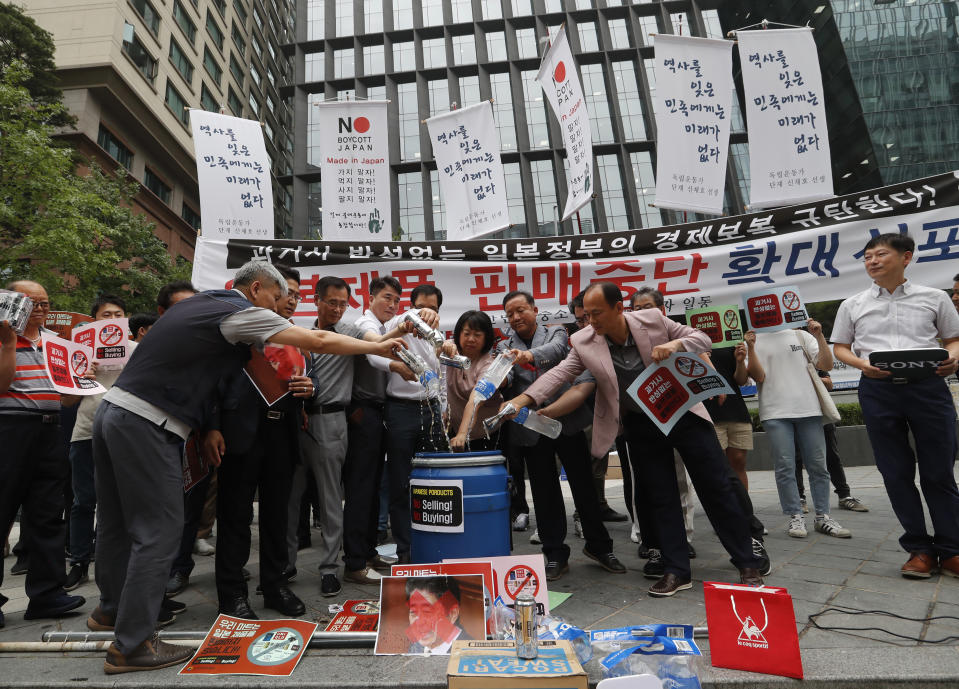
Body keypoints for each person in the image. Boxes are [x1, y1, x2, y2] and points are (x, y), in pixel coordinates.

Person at [89, 260, 406, 674]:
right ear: (256, 289)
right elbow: (316, 339)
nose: (279, 308)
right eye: (276, 299)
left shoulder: (201, 306)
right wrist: (376, 347)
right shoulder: (236, 311)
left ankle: (111, 611)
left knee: (115, 525)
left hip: (115, 412)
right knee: (159, 531)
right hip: (149, 422)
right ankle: (131, 645)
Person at [507, 282, 764, 597]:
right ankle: (676, 570)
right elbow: (560, 374)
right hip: (642, 423)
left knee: (717, 487)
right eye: (586, 315)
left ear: (619, 309)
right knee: (661, 496)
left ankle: (747, 563)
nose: (591, 322)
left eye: (597, 313)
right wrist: (522, 401)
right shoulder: (585, 340)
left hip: (682, 412)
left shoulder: (653, 320)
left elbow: (701, 337)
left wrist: (674, 346)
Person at [289, 276, 426, 596]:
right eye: (331, 302)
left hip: (343, 419)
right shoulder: (302, 335)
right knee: (300, 498)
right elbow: (375, 349)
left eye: (341, 303)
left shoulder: (354, 329)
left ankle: (346, 561)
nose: (337, 308)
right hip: (311, 420)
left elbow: (374, 345)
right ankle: (301, 564)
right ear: (317, 300)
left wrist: (402, 332)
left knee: (345, 495)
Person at [832, 233, 959, 579]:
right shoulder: (853, 304)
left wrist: (952, 359)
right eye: (867, 256)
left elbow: (954, 339)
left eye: (880, 254)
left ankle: (951, 550)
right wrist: (862, 366)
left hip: (929, 389)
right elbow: (840, 348)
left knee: (939, 473)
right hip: (878, 390)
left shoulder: (934, 298)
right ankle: (918, 549)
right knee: (895, 472)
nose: (872, 261)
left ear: (906, 257)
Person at [201, 265, 312, 620]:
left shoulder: (298, 338)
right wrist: (211, 426)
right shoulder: (236, 329)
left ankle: (275, 585)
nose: (288, 301)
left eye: (293, 296)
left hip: (283, 433)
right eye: (282, 294)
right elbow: (212, 382)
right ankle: (232, 596)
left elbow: (311, 383)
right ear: (261, 292)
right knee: (234, 517)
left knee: (278, 515)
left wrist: (310, 389)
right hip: (239, 434)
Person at [498, 291, 625, 581]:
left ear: (534, 309)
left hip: (567, 420)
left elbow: (557, 353)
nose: (516, 317)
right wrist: (502, 376)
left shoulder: (557, 332)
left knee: (584, 486)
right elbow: (505, 380)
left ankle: (600, 546)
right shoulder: (503, 346)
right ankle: (554, 552)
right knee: (544, 493)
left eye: (521, 310)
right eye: (510, 314)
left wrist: (527, 356)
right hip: (530, 427)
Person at [0, 280, 85, 628]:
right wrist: (7, 343)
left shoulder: (55, 343)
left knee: (49, 513)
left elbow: (65, 398)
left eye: (45, 303)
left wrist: (79, 383)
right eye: (29, 302)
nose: (38, 308)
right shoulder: (2, 336)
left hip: (51, 429)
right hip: (10, 428)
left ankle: (48, 594)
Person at [746, 319, 852, 540]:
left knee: (818, 466)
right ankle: (795, 515)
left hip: (809, 410)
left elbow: (827, 364)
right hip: (775, 412)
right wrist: (751, 347)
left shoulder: (801, 336)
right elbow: (757, 377)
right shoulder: (754, 338)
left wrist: (820, 335)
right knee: (784, 467)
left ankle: (823, 517)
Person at [343, 276, 415, 585]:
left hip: (381, 412)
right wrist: (399, 363)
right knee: (360, 489)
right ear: (369, 297)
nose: (392, 305)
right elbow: (374, 349)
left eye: (397, 301)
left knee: (374, 488)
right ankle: (355, 562)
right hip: (363, 411)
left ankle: (368, 550)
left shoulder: (386, 326)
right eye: (386, 297)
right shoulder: (365, 324)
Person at [371, 283, 448, 565]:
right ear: (410, 307)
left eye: (434, 309)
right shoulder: (394, 325)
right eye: (421, 308)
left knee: (436, 480)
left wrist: (442, 409)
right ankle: (406, 550)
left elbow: (441, 374)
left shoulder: (438, 335)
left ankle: (438, 543)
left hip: (431, 409)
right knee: (401, 482)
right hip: (399, 411)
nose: (427, 314)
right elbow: (373, 354)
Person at [62, 295, 134, 592]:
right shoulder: (78, 354)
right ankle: (79, 562)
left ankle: (120, 563)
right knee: (82, 501)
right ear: (94, 321)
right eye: (106, 315)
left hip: (127, 434)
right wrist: (81, 378)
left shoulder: (139, 351)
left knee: (122, 502)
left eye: (118, 314)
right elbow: (66, 402)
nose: (113, 319)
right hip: (86, 431)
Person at [794, 370, 869, 513]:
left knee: (831, 457)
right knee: (796, 458)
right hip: (794, 414)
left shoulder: (811, 356)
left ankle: (845, 496)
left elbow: (829, 384)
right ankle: (799, 498)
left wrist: (811, 378)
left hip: (820, 414)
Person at [447, 310, 503, 452]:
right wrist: (443, 346)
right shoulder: (449, 352)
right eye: (466, 333)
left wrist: (462, 434)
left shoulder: (489, 366)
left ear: (486, 338)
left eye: (477, 335)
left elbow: (476, 399)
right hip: (455, 429)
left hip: (486, 433)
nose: (471, 339)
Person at [405, 576, 472, 653]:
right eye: (413, 612)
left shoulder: (472, 653)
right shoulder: (416, 647)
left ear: (453, 614)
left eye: (427, 612)